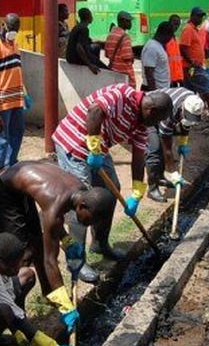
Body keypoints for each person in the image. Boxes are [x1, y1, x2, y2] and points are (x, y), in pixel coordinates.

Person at [52, 84, 172, 261]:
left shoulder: (141, 125)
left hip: (98, 148)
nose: (154, 125)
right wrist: (94, 148)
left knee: (111, 190)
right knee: (82, 199)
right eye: (156, 120)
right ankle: (77, 260)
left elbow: (138, 158)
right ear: (151, 111)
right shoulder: (123, 95)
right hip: (74, 142)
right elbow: (94, 111)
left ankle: (99, 244)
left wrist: (136, 194)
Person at [0, 162, 115, 315]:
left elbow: (52, 224)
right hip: (2, 191)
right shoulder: (55, 204)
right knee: (22, 255)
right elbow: (50, 261)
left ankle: (49, 294)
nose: (89, 224)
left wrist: (67, 242)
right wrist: (66, 306)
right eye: (90, 220)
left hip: (19, 189)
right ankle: (17, 312)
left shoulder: (79, 191)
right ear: (83, 206)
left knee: (38, 243)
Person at [145, 87, 205, 202]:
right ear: (182, 109)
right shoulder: (169, 113)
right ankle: (152, 189)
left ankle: (160, 178)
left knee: (161, 148)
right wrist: (174, 173)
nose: (189, 119)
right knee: (155, 150)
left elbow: (186, 125)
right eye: (187, 116)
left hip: (160, 112)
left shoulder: (193, 101)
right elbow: (167, 149)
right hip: (147, 114)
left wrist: (183, 142)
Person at [0, 13, 28, 173]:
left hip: (17, 98)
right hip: (2, 99)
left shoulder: (15, 43)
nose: (14, 32)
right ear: (4, 25)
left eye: (16, 29)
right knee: (2, 136)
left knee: (18, 131)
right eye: (12, 28)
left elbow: (17, 69)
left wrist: (24, 93)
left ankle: (11, 164)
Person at [180, 6, 209, 118]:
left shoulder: (195, 29)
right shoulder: (188, 29)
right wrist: (191, 61)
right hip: (191, 67)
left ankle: (196, 113)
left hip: (195, 66)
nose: (200, 19)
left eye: (201, 16)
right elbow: (183, 47)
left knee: (192, 90)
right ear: (192, 16)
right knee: (208, 85)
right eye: (198, 16)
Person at [66, 8, 106, 74]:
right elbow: (79, 47)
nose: (92, 17)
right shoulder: (84, 29)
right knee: (104, 68)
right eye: (91, 15)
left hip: (70, 57)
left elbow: (86, 42)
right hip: (75, 59)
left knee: (96, 47)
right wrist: (89, 65)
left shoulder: (78, 26)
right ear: (88, 16)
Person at [105, 11, 136, 87]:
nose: (130, 24)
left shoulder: (110, 35)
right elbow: (127, 57)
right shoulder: (125, 37)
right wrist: (132, 56)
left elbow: (107, 54)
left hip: (114, 74)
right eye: (129, 21)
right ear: (123, 21)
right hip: (125, 77)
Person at [141, 22, 173, 91]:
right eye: (170, 36)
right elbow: (149, 74)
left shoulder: (158, 46)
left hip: (162, 89)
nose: (169, 40)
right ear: (166, 34)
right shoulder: (152, 47)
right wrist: (155, 93)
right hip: (154, 91)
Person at [167, 14, 185, 87]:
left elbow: (177, 59)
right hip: (168, 77)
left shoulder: (175, 38)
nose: (176, 26)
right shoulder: (165, 38)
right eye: (174, 24)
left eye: (178, 24)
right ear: (169, 23)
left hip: (176, 77)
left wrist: (180, 77)